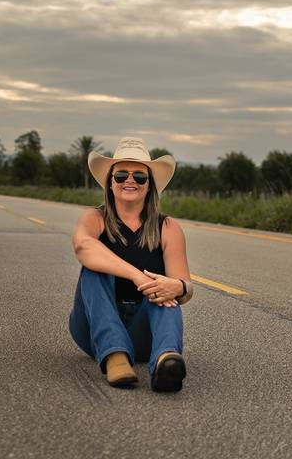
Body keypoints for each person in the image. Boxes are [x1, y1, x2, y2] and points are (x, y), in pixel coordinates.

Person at [69, 137, 193, 392]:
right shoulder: (95, 218)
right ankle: (114, 355)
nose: (130, 181)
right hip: (92, 325)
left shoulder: (168, 228)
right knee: (94, 268)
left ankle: (166, 361)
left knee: (165, 289)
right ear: (110, 182)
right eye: (121, 174)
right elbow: (84, 247)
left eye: (140, 177)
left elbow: (186, 287)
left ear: (149, 186)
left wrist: (177, 287)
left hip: (143, 329)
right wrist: (138, 277)